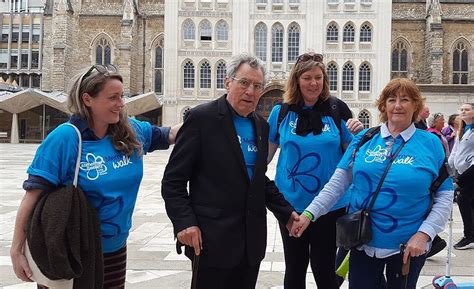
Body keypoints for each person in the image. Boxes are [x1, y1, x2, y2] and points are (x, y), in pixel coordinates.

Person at [10, 64, 180, 288]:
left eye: (121, 96)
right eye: (113, 97)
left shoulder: (130, 131)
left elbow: (169, 134)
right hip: (72, 250)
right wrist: (16, 250)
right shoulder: (65, 138)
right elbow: (32, 197)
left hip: (116, 249)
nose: (121, 104)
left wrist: (210, 114)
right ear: (87, 99)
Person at [292, 78, 453, 289]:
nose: (397, 105)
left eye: (405, 99)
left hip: (407, 246)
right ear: (383, 105)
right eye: (391, 99)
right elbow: (337, 183)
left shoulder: (431, 143)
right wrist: (309, 214)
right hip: (363, 243)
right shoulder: (364, 139)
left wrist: (425, 234)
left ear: (415, 105)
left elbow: (445, 195)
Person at [161, 54, 299, 289]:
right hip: (212, 240)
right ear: (228, 82)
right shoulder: (201, 119)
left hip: (250, 244)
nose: (250, 92)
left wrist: (286, 213)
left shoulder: (261, 126)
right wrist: (184, 222)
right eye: (244, 83)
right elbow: (173, 181)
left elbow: (256, 179)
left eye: (257, 86)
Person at [266, 52, 363, 289]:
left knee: (324, 267)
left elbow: (353, 157)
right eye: (307, 77)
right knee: (295, 267)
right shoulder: (281, 112)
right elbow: (265, 158)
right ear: (297, 80)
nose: (313, 83)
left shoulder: (337, 109)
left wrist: (360, 133)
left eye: (318, 77)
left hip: (330, 206)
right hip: (291, 206)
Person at [449, 103, 474, 250]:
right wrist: (448, 168)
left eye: (467, 109)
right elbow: (455, 152)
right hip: (462, 171)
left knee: (462, 198)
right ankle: (471, 235)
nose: (463, 111)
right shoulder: (462, 130)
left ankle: (469, 236)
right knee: (470, 202)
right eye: (462, 109)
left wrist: (459, 180)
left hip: (470, 172)